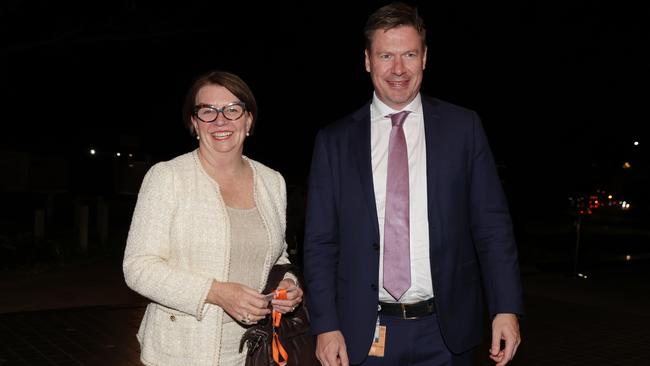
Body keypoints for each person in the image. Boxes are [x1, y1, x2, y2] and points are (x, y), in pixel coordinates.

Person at [303, 3, 523, 366]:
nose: (398, 69)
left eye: (409, 54)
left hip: (447, 333)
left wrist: (505, 308)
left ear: (425, 58)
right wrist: (325, 326)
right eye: (386, 55)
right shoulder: (334, 141)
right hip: (362, 334)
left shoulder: (463, 128)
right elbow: (320, 243)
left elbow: (492, 227)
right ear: (367, 61)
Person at [123, 70, 303, 366]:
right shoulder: (168, 177)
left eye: (233, 110)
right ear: (194, 124)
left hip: (255, 351)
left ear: (249, 120)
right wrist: (216, 293)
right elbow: (138, 267)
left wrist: (288, 283)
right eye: (207, 111)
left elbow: (279, 254)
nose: (220, 120)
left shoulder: (273, 182)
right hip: (180, 352)